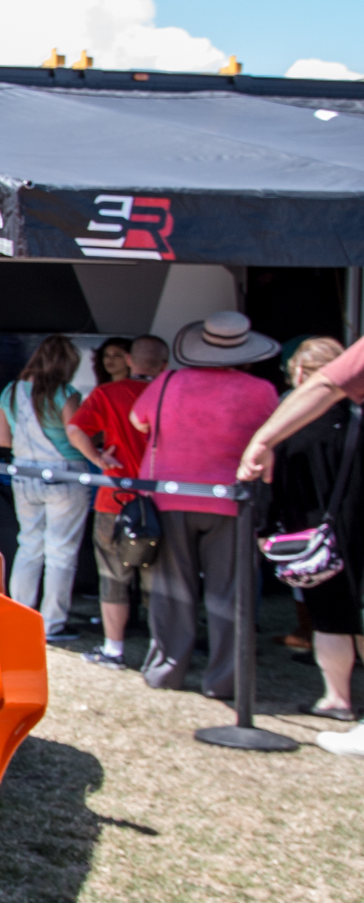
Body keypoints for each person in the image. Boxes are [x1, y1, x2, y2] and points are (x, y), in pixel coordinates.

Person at [129, 312, 279, 698]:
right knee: (230, 593)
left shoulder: (168, 382)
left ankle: (166, 669)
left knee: (170, 590)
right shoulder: (261, 390)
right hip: (232, 499)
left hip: (168, 494)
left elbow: (139, 422)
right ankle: (226, 679)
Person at [240, 333, 364, 756]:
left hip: (312, 530)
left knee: (330, 617)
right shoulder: (356, 414)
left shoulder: (289, 420)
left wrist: (265, 527)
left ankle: (337, 699)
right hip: (355, 523)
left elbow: (274, 484)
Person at [65, 334, 169, 668]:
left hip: (116, 498)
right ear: (165, 365)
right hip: (165, 500)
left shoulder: (108, 393)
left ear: (129, 360)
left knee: (113, 575)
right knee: (161, 578)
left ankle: (114, 649)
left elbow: (75, 429)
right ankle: (161, 651)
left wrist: (97, 458)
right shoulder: (171, 393)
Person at [0, 334, 86, 641]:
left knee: (29, 545)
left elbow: (3, 440)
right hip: (65, 475)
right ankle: (52, 623)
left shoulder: (10, 391)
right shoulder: (66, 393)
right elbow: (76, 434)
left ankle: (21, 615)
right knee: (61, 551)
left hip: (23, 473)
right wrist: (98, 453)